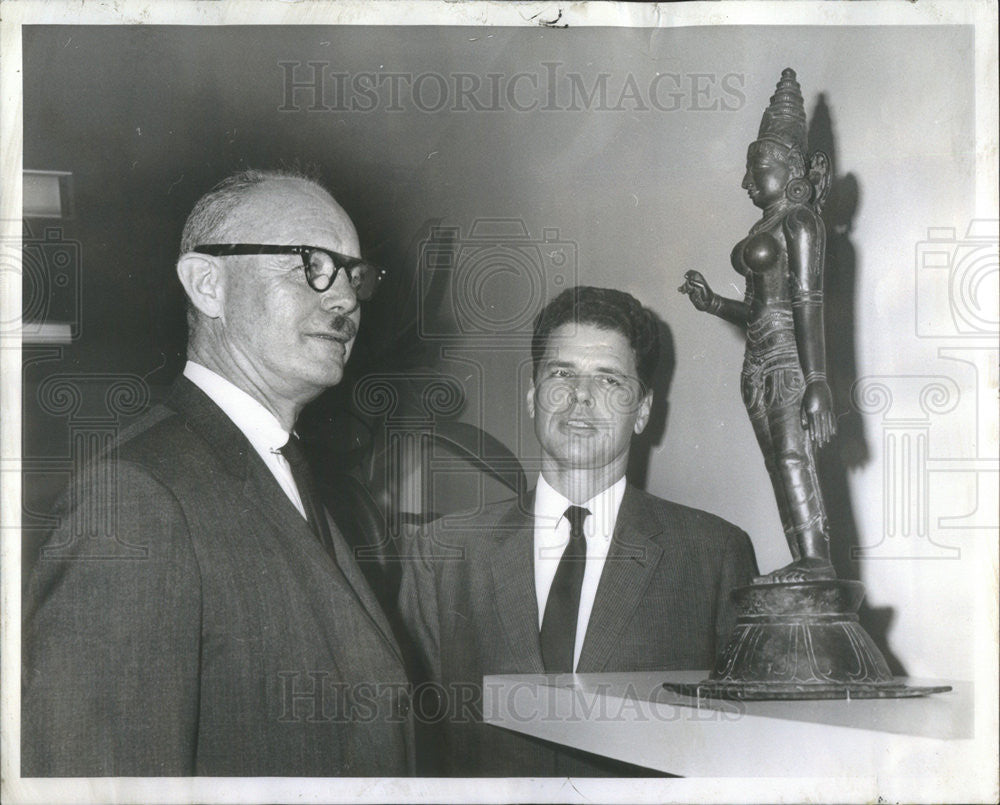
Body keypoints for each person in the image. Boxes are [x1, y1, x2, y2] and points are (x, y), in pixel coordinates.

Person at [22, 169, 413, 776]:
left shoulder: (296, 475)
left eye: (353, 274)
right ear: (208, 284)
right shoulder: (137, 498)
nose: (343, 298)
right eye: (309, 262)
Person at [398, 286, 758, 776]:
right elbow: (412, 741)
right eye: (562, 373)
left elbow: (738, 748)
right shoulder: (443, 552)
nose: (581, 396)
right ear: (533, 396)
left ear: (644, 410)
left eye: (609, 380)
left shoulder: (715, 555)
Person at [679, 68, 837, 584]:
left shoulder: (800, 222)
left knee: (795, 457)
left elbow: (808, 303)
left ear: (792, 166)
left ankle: (817, 559)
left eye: (759, 167)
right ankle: (805, 560)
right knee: (778, 463)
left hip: (791, 358)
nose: (748, 181)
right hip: (757, 360)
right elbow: (757, 310)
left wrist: (817, 381)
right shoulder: (763, 226)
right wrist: (713, 305)